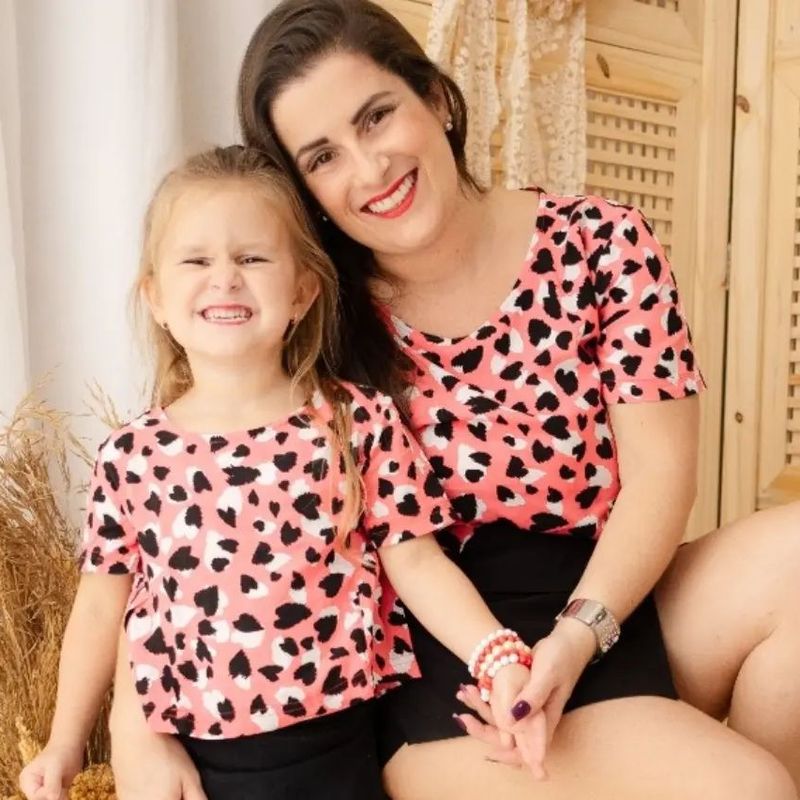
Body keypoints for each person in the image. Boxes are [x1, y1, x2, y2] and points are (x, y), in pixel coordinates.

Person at [108, 2, 800, 798]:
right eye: (323, 156)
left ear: (436, 97)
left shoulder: (603, 243)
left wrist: (578, 637)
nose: (369, 169)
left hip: (604, 604)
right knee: (747, 787)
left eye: (376, 117)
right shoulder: (309, 306)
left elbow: (660, 477)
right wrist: (136, 724)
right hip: (442, 659)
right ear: (305, 191)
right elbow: (175, 504)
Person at [17, 145, 545, 800]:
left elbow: (418, 564)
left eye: (252, 258)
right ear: (155, 298)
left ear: (302, 291)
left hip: (339, 755)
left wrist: (497, 656)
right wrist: (65, 742)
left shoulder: (357, 423)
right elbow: (102, 606)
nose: (225, 279)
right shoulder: (132, 456)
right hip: (195, 770)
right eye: (196, 261)